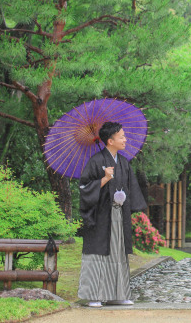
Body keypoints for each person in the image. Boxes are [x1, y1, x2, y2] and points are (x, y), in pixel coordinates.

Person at [77, 121, 147, 307]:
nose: (125, 140)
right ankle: (94, 296)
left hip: (118, 214)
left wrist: (126, 201)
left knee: (118, 252)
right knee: (98, 254)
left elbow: (131, 188)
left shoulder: (123, 162)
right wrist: (105, 178)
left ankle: (118, 294)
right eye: (121, 137)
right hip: (99, 216)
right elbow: (84, 188)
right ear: (110, 140)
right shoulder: (96, 161)